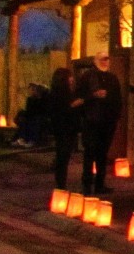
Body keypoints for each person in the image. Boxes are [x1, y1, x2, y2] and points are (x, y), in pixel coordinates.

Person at [75, 51, 122, 196]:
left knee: (102, 154)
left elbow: (117, 99)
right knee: (90, 152)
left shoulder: (112, 78)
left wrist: (115, 117)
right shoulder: (87, 77)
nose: (105, 62)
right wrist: (93, 97)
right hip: (92, 121)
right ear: (95, 61)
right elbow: (79, 98)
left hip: (107, 122)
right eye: (102, 59)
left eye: (107, 59)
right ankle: (87, 185)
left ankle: (100, 184)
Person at [46, 67, 83, 189]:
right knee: (63, 154)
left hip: (68, 127)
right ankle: (61, 182)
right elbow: (60, 110)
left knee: (64, 155)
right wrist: (73, 105)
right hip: (63, 128)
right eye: (70, 76)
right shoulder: (59, 94)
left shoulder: (68, 92)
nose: (72, 79)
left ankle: (61, 180)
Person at [12, 83, 49, 147]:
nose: (32, 91)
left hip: (40, 117)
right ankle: (22, 138)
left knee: (35, 121)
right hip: (32, 115)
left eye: (33, 89)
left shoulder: (43, 99)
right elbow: (29, 110)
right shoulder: (30, 99)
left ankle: (32, 140)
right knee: (25, 120)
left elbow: (43, 110)